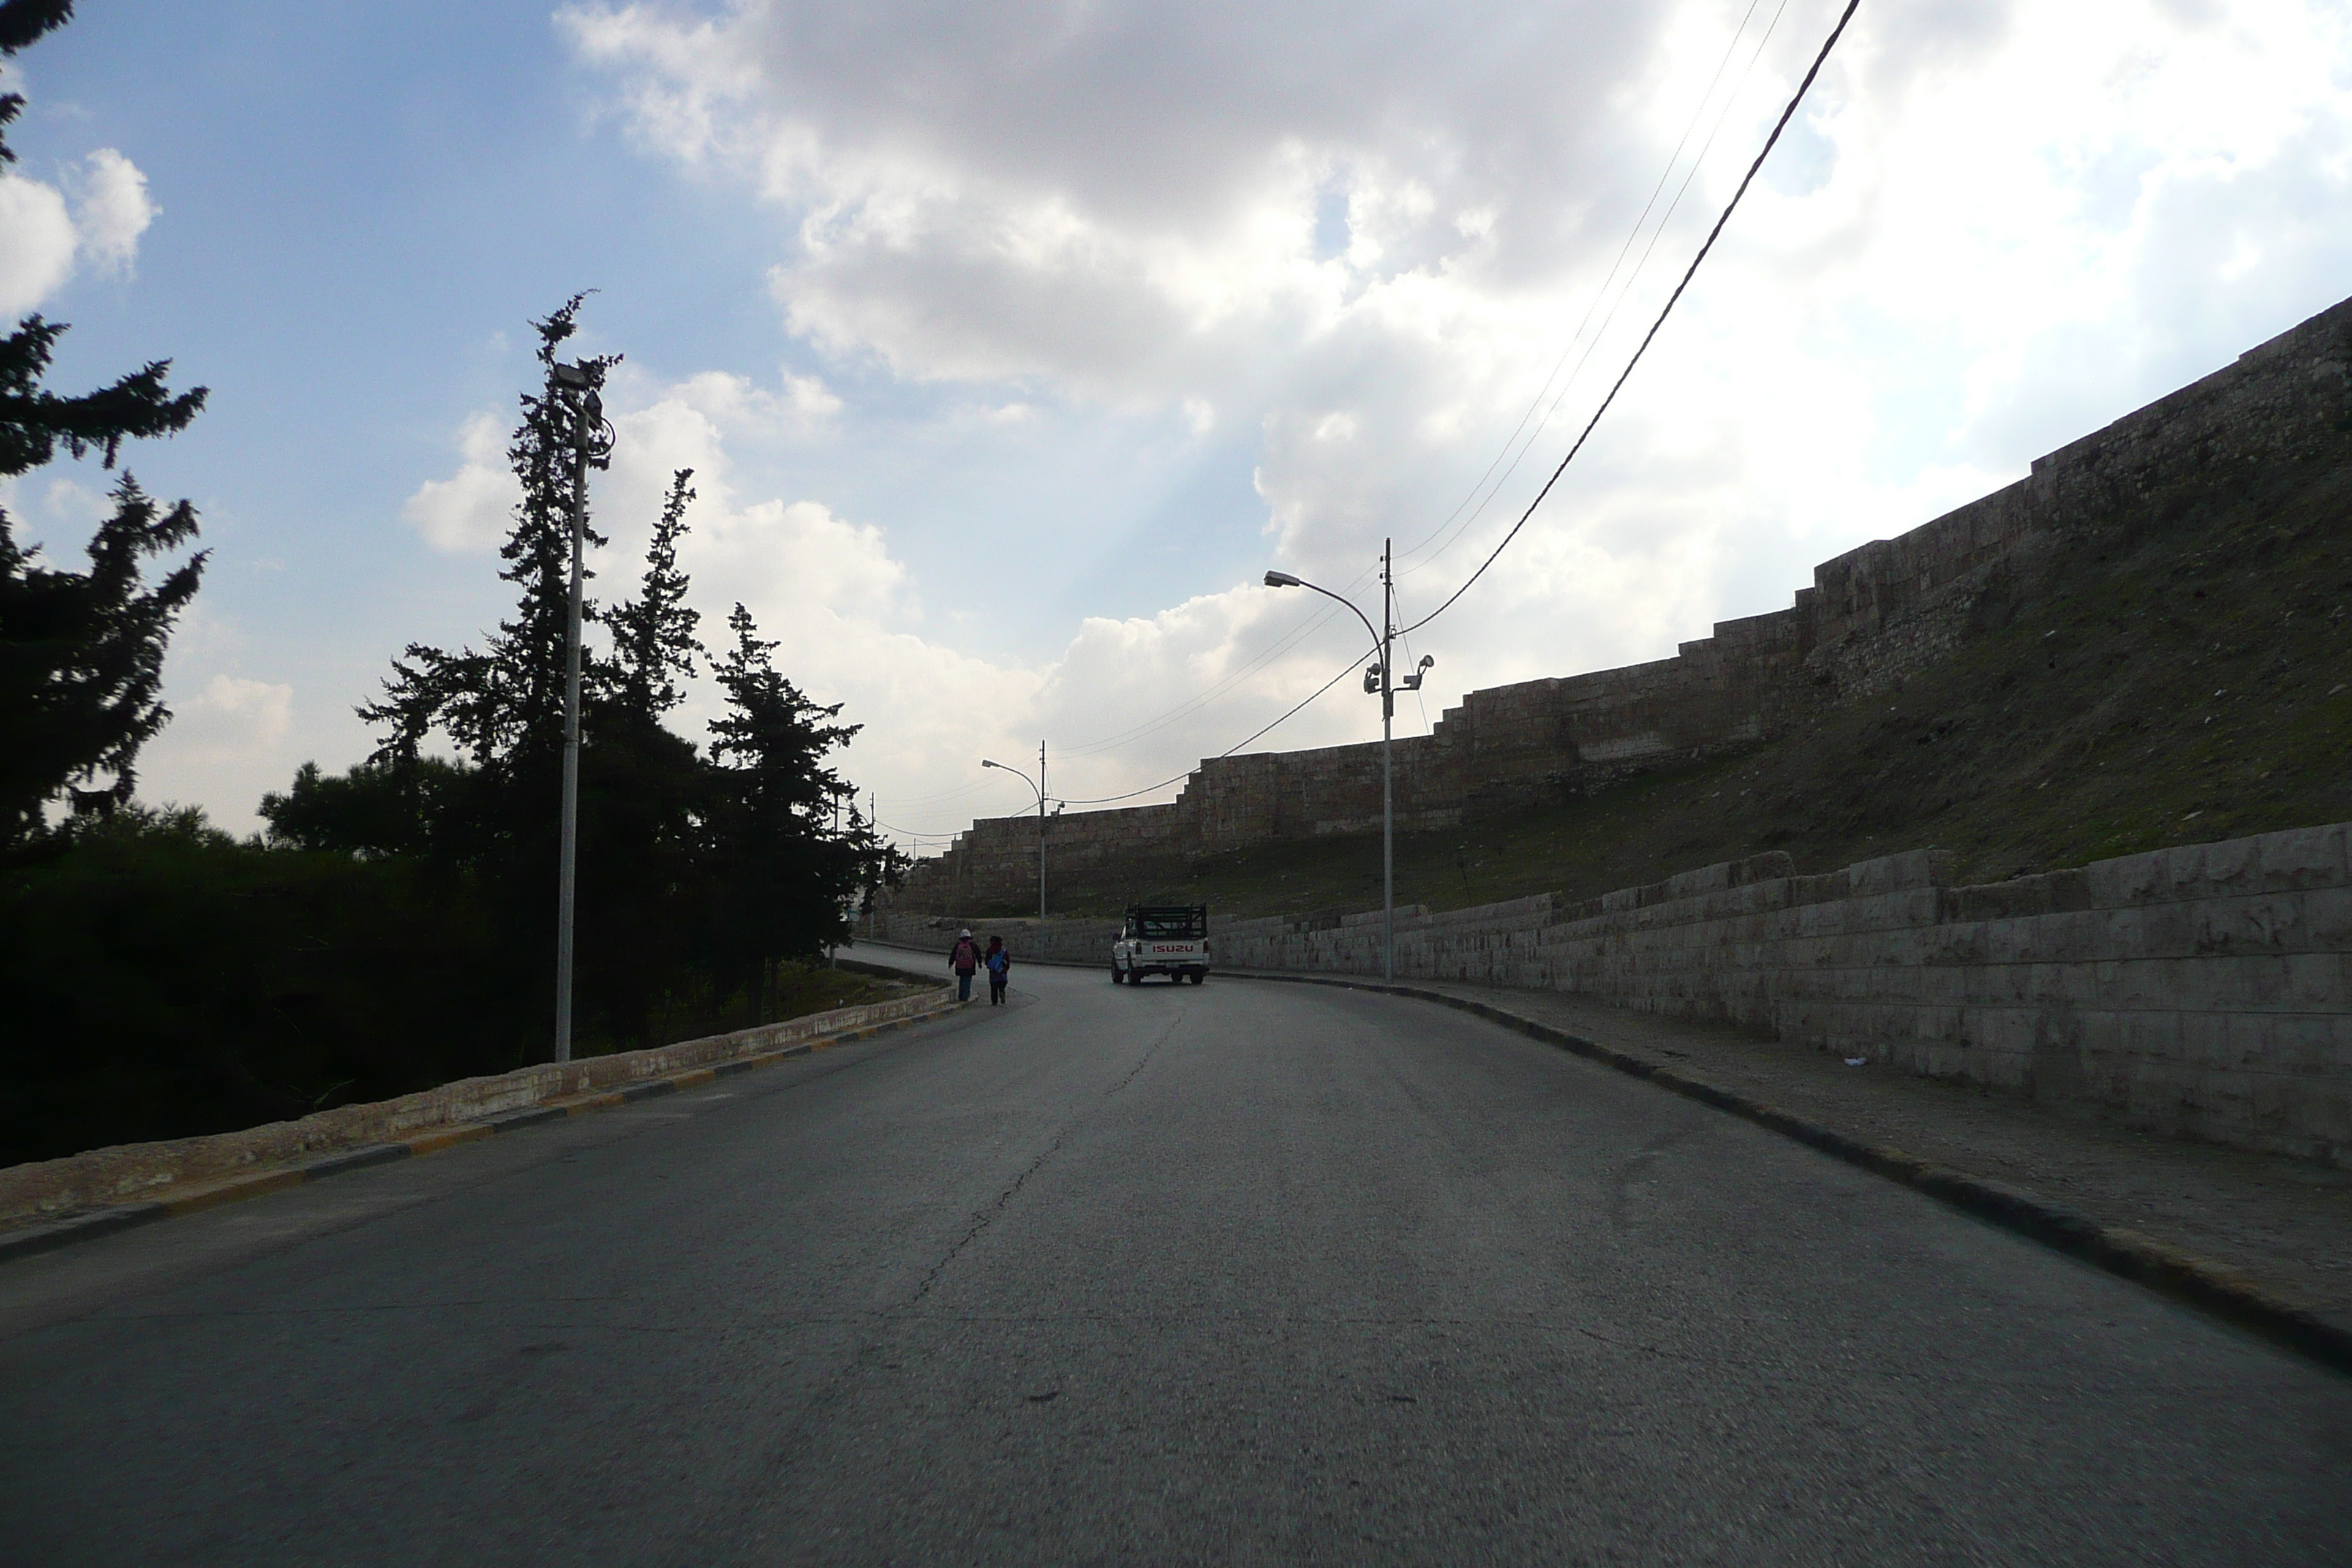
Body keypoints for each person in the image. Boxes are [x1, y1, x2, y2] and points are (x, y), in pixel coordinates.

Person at [948, 929, 981, 1001]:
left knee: (962, 980)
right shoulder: (972, 945)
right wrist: (980, 963)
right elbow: (978, 953)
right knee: (967, 980)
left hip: (960, 966)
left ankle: (961, 995)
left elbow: (953, 954)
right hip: (970, 967)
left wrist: (951, 963)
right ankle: (965, 996)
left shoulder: (958, 945)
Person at [984, 936, 1011, 1006]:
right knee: (1002, 983)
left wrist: (989, 966)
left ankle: (994, 1001)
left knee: (993, 986)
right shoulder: (1003, 951)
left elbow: (987, 961)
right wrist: (1006, 968)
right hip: (1002, 970)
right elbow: (1007, 960)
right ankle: (1002, 991)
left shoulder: (990, 950)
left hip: (993, 971)